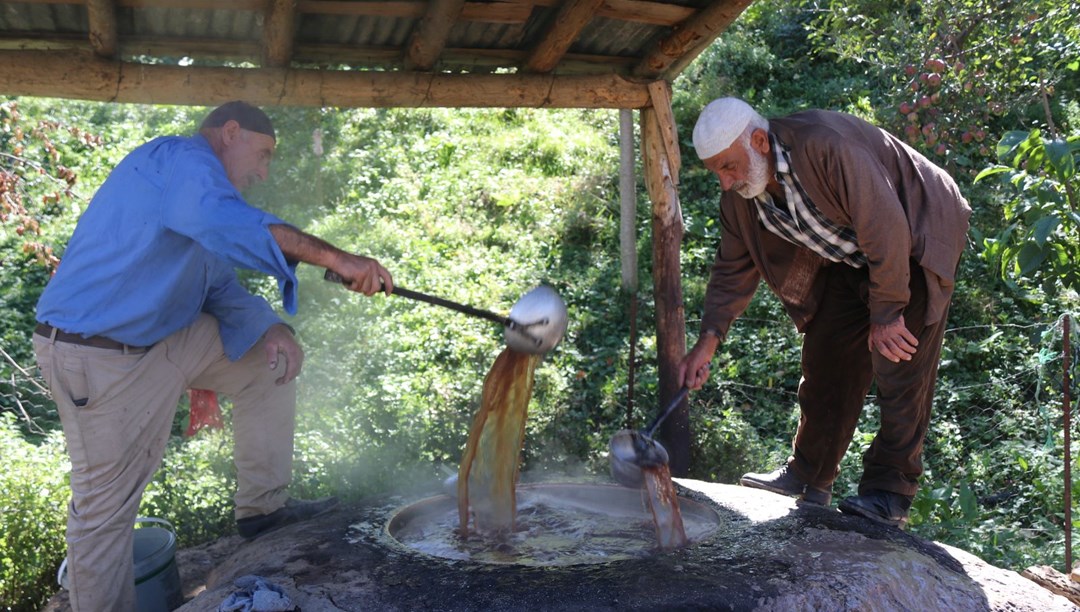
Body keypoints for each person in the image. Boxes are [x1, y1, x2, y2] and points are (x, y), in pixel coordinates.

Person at [32, 101, 392, 611]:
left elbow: (217, 284)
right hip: (96, 355)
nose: (263, 172)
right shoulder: (182, 160)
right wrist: (336, 257)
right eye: (263, 154)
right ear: (229, 132)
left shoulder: (196, 202)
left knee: (268, 362)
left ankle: (262, 512)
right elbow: (234, 224)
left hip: (157, 341)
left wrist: (272, 326)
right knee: (104, 512)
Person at [677, 97, 971, 527]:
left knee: (898, 360)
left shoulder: (826, 148)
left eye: (729, 166)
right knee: (827, 353)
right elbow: (731, 270)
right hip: (851, 259)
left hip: (915, 233)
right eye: (716, 172)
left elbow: (886, 224)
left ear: (759, 141)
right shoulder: (741, 200)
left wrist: (887, 312)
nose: (725, 182)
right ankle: (809, 475)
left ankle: (890, 493)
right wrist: (708, 341)